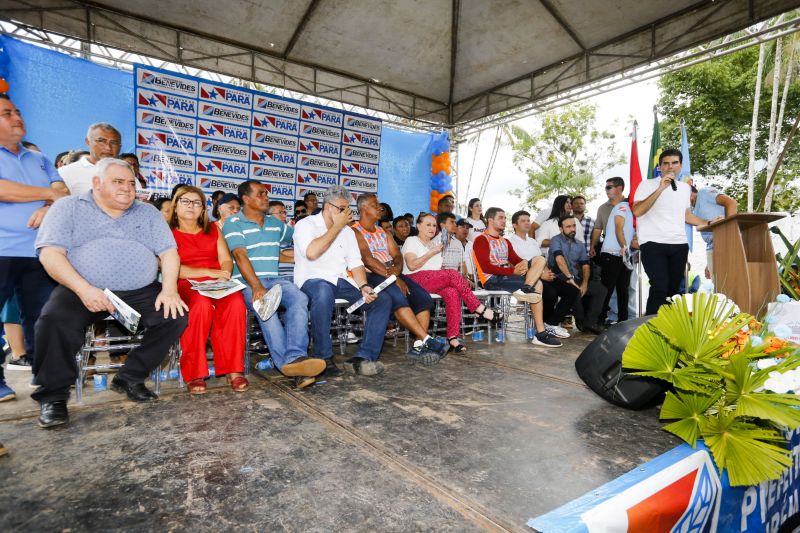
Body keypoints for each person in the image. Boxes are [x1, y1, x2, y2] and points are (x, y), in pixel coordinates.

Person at [33, 158, 189, 428]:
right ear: (96, 183)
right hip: (81, 285)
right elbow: (50, 254)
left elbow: (169, 253)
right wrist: (84, 289)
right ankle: (54, 396)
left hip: (139, 289)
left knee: (174, 315)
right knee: (53, 321)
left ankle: (130, 377)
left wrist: (169, 289)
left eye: (131, 183)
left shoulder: (147, 213)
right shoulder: (68, 207)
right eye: (118, 182)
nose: (128, 189)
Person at [0, 94, 68, 402]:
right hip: (2, 249)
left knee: (43, 321)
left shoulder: (38, 158)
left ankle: (50, 392)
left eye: (17, 111)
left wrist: (47, 205)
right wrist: (46, 195)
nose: (16, 117)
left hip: (41, 252)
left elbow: (63, 191)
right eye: (6, 113)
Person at [224, 180, 323, 389]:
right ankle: (288, 364)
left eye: (266, 193)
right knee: (266, 307)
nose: (266, 197)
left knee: (299, 298)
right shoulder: (233, 223)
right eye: (260, 194)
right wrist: (258, 287)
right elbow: (240, 257)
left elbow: (299, 236)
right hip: (246, 281)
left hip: (275, 279)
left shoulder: (275, 224)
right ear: (246, 199)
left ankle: (295, 358)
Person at [294, 185, 394, 376]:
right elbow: (312, 253)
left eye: (347, 209)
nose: (345, 213)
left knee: (381, 300)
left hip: (340, 281)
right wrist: (337, 226)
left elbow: (356, 263)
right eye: (341, 209)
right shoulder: (306, 225)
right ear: (327, 207)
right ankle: (323, 357)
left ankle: (364, 357)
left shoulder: (347, 232)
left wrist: (364, 286)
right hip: (311, 279)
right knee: (323, 293)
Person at [169, 186, 248, 394]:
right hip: (187, 283)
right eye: (185, 201)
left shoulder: (213, 229)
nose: (191, 206)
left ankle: (234, 370)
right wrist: (209, 272)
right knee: (201, 306)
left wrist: (224, 272)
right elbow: (172, 268)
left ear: (203, 209)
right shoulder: (167, 232)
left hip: (217, 284)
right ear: (175, 205)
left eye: (197, 202)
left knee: (236, 303)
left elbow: (225, 260)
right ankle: (194, 373)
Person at [353, 194, 446, 360]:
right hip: (372, 274)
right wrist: (394, 278)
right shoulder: (355, 231)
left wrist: (395, 274)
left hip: (392, 273)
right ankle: (427, 340)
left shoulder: (382, 231)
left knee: (423, 298)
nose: (380, 207)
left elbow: (397, 255)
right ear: (364, 208)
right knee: (397, 297)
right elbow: (368, 260)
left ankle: (419, 347)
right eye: (375, 204)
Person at [403, 213, 501, 353]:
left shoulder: (436, 244)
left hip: (431, 280)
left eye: (434, 225)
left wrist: (461, 278)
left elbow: (435, 270)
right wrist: (432, 252)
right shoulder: (412, 240)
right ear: (418, 226)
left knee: (452, 292)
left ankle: (453, 337)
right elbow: (411, 265)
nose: (432, 228)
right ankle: (479, 308)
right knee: (452, 274)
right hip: (413, 280)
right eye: (428, 225)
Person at [632, 149, 713, 315]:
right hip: (652, 243)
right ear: (660, 167)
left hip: (679, 244)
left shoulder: (684, 188)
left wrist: (708, 222)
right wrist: (661, 188)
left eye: (674, 163)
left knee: (673, 291)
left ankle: (667, 332)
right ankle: (649, 329)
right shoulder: (646, 185)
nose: (670, 167)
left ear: (680, 166)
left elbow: (686, 215)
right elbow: (637, 211)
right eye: (666, 163)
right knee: (659, 286)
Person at [472, 207, 562, 347]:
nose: (504, 220)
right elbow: (486, 268)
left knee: (539, 259)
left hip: (506, 276)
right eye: (500, 217)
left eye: (505, 218)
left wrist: (526, 264)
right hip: (492, 280)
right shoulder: (481, 240)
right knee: (538, 284)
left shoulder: (505, 241)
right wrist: (514, 271)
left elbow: (517, 260)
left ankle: (526, 289)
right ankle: (541, 333)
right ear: (490, 220)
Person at [548, 216, 604, 334]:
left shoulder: (579, 244)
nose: (572, 229)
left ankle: (591, 322)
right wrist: (569, 277)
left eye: (573, 226)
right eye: (568, 227)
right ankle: (582, 323)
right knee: (574, 291)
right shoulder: (555, 240)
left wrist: (584, 283)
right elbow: (559, 259)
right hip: (559, 278)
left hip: (576, 278)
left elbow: (585, 265)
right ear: (561, 229)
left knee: (601, 290)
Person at [58, 122, 122, 196]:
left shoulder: (126, 174)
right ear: (88, 141)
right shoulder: (65, 172)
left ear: (120, 147)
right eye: (101, 141)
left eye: (113, 143)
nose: (108, 147)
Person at [599, 200, 635, 324]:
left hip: (625, 255)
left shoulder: (636, 211)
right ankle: (599, 321)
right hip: (612, 253)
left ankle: (623, 321)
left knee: (623, 290)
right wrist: (625, 247)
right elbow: (618, 227)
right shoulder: (623, 206)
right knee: (607, 290)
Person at [690, 183, 737, 278]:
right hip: (712, 247)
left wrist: (730, 236)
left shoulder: (703, 192)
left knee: (728, 283)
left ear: (689, 192)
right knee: (717, 285)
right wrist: (709, 263)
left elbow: (731, 203)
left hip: (725, 242)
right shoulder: (695, 211)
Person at [590, 177, 626, 258]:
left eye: (609, 187)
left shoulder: (631, 205)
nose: (606, 190)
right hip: (609, 251)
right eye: (605, 188)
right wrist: (592, 246)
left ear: (619, 188)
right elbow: (597, 229)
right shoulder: (602, 208)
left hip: (629, 248)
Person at [269, 200, 295, 280]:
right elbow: (274, 255)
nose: (284, 216)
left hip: (298, 277)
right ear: (268, 216)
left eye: (284, 213)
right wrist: (295, 259)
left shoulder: (290, 232)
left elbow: (303, 251)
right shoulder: (266, 233)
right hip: (279, 278)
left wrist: (283, 253)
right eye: (280, 213)